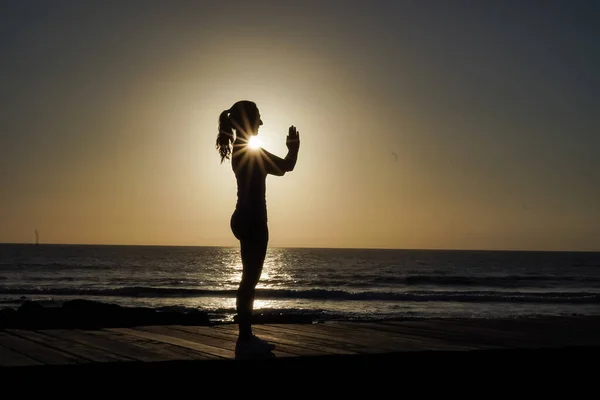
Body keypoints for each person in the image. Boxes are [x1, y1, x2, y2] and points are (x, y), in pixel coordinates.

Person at [216, 100, 300, 357]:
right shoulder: (251, 152)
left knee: (248, 279)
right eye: (258, 118)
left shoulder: (240, 150)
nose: (262, 123)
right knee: (249, 280)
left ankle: (247, 336)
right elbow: (286, 167)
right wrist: (294, 148)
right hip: (253, 219)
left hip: (242, 217)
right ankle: (245, 338)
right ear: (248, 121)